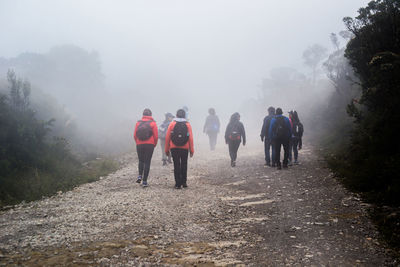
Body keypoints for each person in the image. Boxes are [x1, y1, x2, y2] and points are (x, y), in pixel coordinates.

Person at [165, 109, 194, 189]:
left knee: (176, 164)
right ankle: (184, 182)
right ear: (184, 115)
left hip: (174, 147)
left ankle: (177, 183)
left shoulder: (172, 124)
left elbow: (167, 138)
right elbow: (190, 138)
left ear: (176, 115)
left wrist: (166, 150)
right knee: (184, 164)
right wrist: (191, 150)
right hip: (185, 147)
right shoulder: (187, 124)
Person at [133, 108, 158, 187]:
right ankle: (144, 181)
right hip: (150, 144)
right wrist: (154, 144)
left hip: (139, 144)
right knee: (147, 162)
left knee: (141, 160)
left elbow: (135, 135)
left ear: (143, 115)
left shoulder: (138, 123)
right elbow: (156, 136)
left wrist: (137, 142)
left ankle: (140, 175)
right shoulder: (153, 123)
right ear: (151, 115)